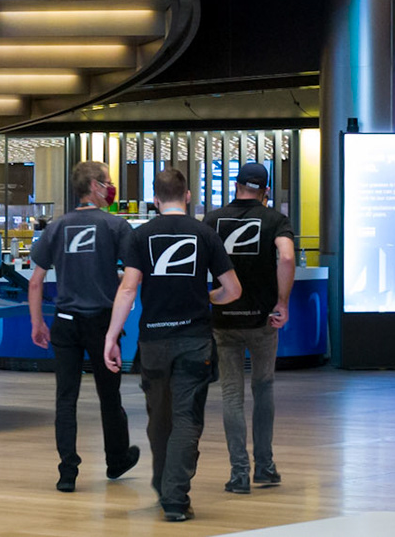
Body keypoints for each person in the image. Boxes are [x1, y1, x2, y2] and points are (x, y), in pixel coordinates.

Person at [105, 169, 242, 524]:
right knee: (186, 419)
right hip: (195, 341)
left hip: (153, 341)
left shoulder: (140, 235)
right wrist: (207, 295)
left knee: (158, 420)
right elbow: (234, 290)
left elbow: (128, 289)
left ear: (155, 200)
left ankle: (166, 487)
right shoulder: (206, 234)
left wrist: (111, 337)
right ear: (188, 196)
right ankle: (176, 498)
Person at [27, 161, 140, 493]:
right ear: (94, 186)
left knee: (66, 398)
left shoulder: (56, 227)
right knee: (109, 394)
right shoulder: (116, 227)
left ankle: (67, 472)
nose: (111, 187)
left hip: (63, 323)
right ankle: (116, 458)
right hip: (102, 325)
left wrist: (37, 323)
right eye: (107, 182)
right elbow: (131, 278)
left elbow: (36, 282)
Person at [204, 163, 295, 494]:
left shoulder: (212, 220)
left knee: (231, 394)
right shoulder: (275, 220)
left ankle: (239, 473)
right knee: (263, 388)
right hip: (262, 320)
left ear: (236, 185)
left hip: (224, 319)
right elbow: (285, 258)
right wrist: (282, 303)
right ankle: (265, 467)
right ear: (265, 191)